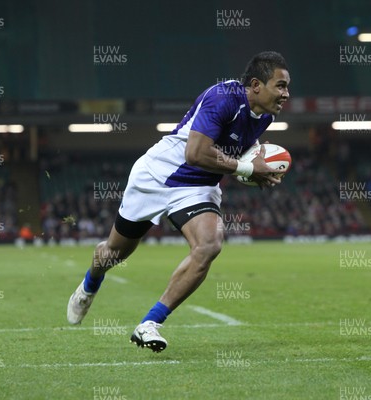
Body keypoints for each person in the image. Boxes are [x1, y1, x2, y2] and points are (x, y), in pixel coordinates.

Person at [67, 51, 290, 352]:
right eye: (280, 85)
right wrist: (249, 168)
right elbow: (195, 153)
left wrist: (255, 168)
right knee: (114, 253)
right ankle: (89, 286)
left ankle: (149, 324)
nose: (286, 94)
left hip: (197, 188)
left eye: (287, 87)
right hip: (156, 176)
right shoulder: (222, 97)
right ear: (255, 85)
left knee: (209, 245)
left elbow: (237, 149)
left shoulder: (266, 116)